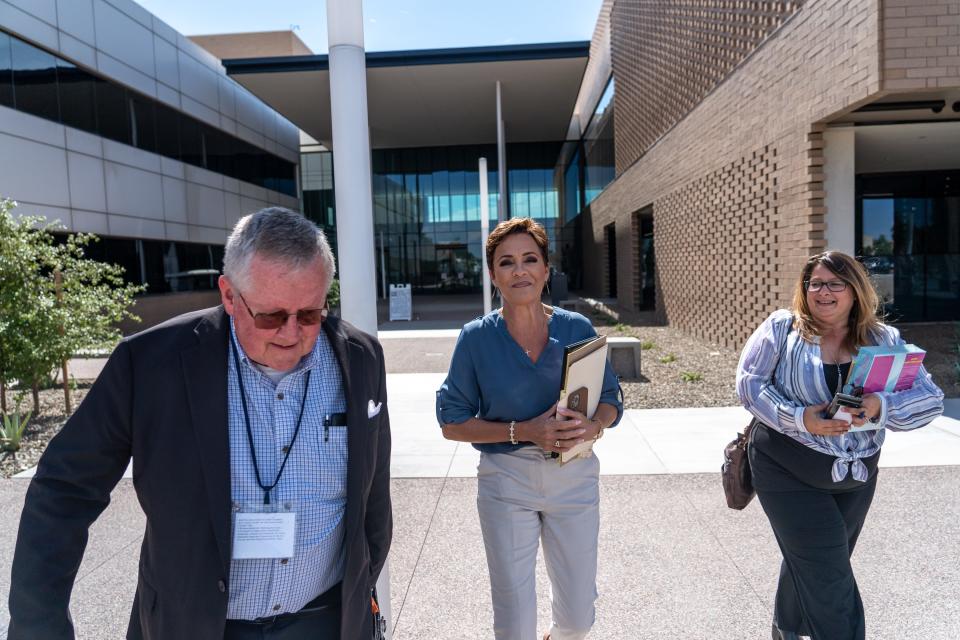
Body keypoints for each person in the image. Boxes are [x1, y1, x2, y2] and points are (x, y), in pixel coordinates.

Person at [8, 207, 392, 640]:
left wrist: (361, 590)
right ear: (229, 295)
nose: (292, 333)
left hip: (325, 620)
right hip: (196, 625)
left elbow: (373, 497)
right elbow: (64, 489)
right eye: (270, 316)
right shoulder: (150, 364)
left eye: (309, 314)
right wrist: (38, 626)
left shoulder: (360, 358)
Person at [736, 251, 944, 640]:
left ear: (855, 291)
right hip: (785, 467)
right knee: (827, 571)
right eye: (815, 283)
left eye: (836, 283)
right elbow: (749, 386)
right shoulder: (783, 329)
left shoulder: (883, 338)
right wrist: (801, 418)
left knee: (817, 561)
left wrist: (881, 406)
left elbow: (930, 397)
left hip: (857, 474)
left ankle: (785, 628)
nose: (823, 291)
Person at [436, 217, 623, 640]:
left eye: (529, 259)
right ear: (492, 275)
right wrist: (523, 431)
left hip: (573, 477)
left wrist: (595, 424)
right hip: (506, 481)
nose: (519, 270)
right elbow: (452, 422)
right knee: (514, 621)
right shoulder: (475, 339)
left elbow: (611, 399)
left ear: (545, 269)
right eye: (506, 262)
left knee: (577, 620)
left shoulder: (577, 328)